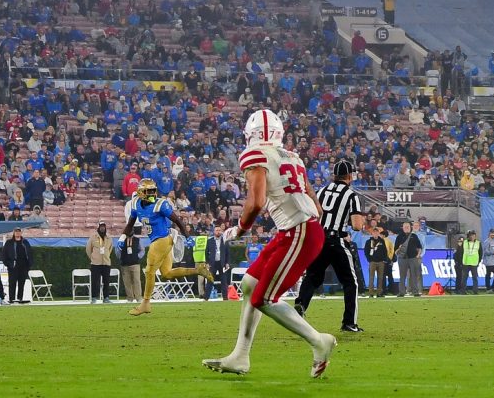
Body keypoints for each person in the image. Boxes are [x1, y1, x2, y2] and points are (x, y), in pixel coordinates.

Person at [203, 108, 336, 378]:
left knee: (264, 297)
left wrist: (240, 229)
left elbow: (256, 202)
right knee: (250, 284)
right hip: (298, 229)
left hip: (298, 231)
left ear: (250, 134)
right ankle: (240, 356)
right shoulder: (292, 156)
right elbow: (317, 206)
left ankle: (319, 341)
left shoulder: (255, 155)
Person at [293, 159, 365, 332]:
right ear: (350, 176)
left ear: (334, 175)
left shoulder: (322, 191)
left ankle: (300, 305)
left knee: (312, 276)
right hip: (336, 240)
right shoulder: (351, 195)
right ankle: (349, 322)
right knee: (350, 282)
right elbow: (357, 225)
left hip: (319, 238)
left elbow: (312, 214)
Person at [124, 180, 197, 316]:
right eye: (148, 191)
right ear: (141, 192)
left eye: (153, 190)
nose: (152, 193)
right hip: (160, 240)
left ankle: (145, 303)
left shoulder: (160, 204)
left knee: (149, 271)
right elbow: (130, 223)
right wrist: (123, 238)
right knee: (167, 273)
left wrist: (187, 236)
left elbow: (177, 220)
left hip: (161, 239)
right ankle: (198, 270)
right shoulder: (135, 204)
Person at [393, 222, 423, 296]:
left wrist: (417, 256)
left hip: (413, 258)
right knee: (402, 276)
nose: (406, 228)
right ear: (402, 228)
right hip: (402, 259)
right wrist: (399, 251)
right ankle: (401, 292)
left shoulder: (414, 236)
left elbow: (419, 247)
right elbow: (395, 250)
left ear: (410, 227)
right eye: (405, 227)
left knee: (414, 276)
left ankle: (415, 292)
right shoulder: (399, 237)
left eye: (408, 227)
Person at [86, 224, 114, 303]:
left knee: (106, 281)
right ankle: (94, 297)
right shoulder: (93, 237)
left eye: (104, 227)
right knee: (95, 281)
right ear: (98, 227)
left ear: (105, 228)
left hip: (106, 263)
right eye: (101, 226)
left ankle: (106, 298)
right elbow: (88, 249)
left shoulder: (109, 238)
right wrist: (93, 258)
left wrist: (106, 255)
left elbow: (110, 249)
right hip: (95, 263)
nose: (102, 228)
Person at [4, 230, 32, 304]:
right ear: (13, 233)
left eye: (19, 232)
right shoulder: (9, 242)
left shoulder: (25, 242)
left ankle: (20, 298)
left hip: (23, 266)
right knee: (12, 283)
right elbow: (4, 254)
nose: (17, 233)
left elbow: (29, 253)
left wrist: (29, 265)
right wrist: (8, 264)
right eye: (16, 232)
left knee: (21, 283)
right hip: (13, 266)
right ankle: (11, 299)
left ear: (21, 233)